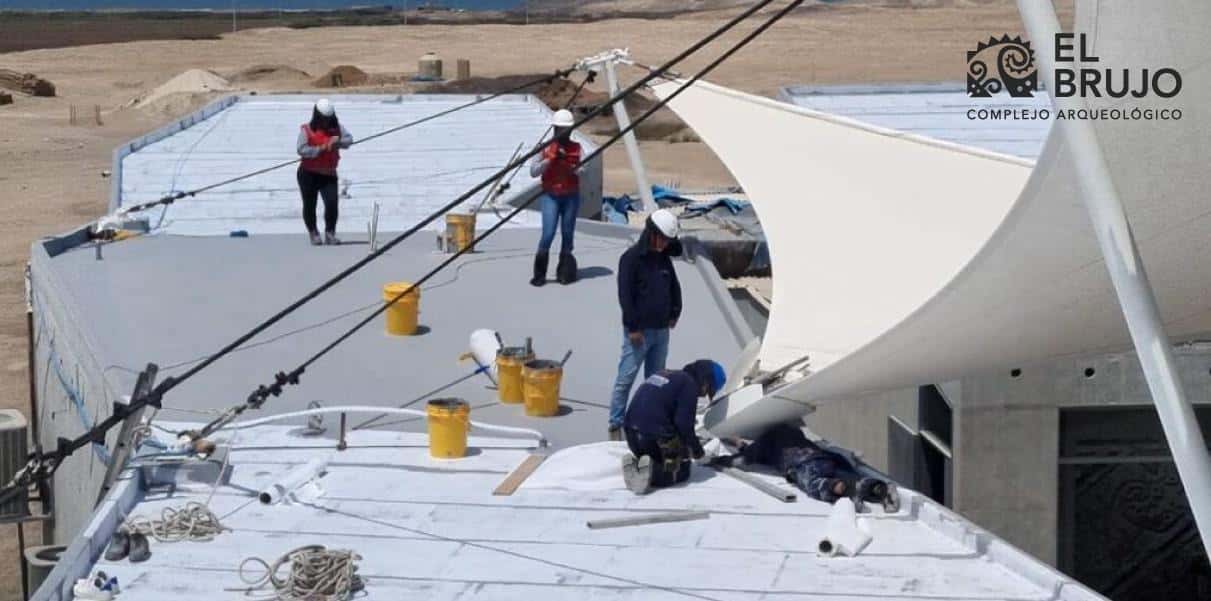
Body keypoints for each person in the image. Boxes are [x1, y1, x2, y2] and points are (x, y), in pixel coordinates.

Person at [607, 208, 683, 441]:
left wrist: (675, 312)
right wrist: (633, 328)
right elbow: (625, 296)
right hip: (640, 333)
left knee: (655, 380)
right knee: (626, 378)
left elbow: (674, 287)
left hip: (661, 331)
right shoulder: (631, 259)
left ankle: (650, 419)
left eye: (667, 240)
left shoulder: (663, 259)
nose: (663, 244)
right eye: (661, 238)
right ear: (650, 233)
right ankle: (615, 423)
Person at [710, 421, 900, 512]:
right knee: (843, 475)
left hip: (803, 465)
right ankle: (878, 489)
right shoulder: (790, 431)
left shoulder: (767, 441)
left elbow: (744, 459)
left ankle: (851, 490)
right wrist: (740, 444)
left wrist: (720, 461)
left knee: (817, 485)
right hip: (823, 458)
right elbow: (750, 450)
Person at [621, 359, 726, 494]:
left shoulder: (666, 374)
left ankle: (638, 464)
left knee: (665, 448)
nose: (704, 395)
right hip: (652, 437)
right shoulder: (689, 384)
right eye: (708, 390)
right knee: (683, 469)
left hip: (631, 435)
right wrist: (698, 452)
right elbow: (684, 426)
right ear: (705, 380)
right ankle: (653, 473)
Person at [529, 109, 582, 286]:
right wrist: (549, 160)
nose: (564, 133)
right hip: (550, 196)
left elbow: (582, 169)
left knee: (568, 235)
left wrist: (567, 162)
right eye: (561, 129)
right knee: (548, 233)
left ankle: (564, 271)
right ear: (554, 129)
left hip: (570, 196)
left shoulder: (576, 148)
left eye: (567, 129)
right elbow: (533, 172)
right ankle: (539, 274)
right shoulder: (544, 148)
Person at [296, 98, 353, 246]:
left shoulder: (337, 128)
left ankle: (330, 233)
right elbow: (301, 149)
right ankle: (313, 232)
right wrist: (320, 149)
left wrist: (338, 143)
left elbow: (349, 139)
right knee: (310, 204)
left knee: (332, 203)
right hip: (308, 174)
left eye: (329, 119)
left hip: (328, 174)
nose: (327, 122)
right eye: (324, 119)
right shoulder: (307, 130)